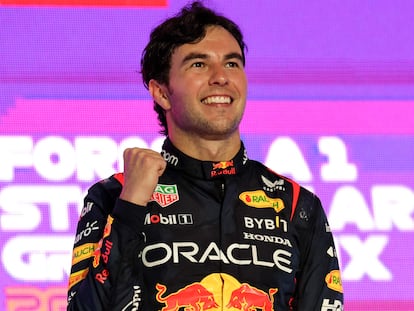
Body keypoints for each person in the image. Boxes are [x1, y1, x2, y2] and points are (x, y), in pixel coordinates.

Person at [67, 1, 344, 310]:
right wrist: (130, 207)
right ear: (162, 92)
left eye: (232, 63)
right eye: (198, 64)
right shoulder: (114, 195)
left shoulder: (296, 205)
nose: (220, 77)